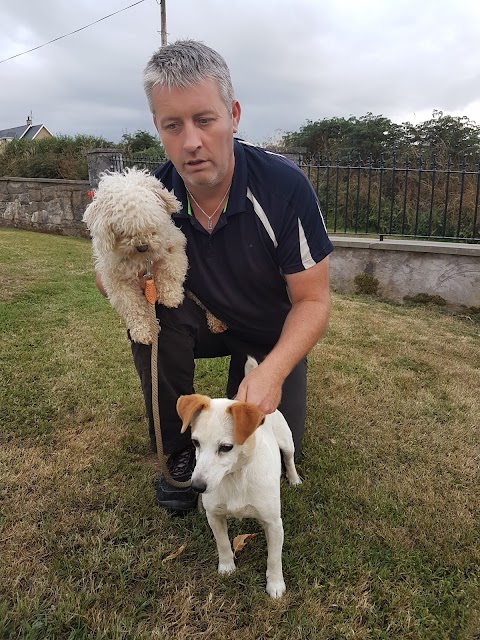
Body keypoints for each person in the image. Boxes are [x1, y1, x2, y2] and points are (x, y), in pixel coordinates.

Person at [96, 40, 333, 514]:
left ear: (234, 115)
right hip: (199, 321)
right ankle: (179, 451)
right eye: (172, 125)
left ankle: (251, 372)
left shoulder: (285, 188)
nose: (191, 142)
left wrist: (273, 370)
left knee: (275, 445)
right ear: (158, 129)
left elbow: (312, 301)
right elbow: (109, 273)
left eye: (204, 119)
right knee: (151, 321)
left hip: (267, 329)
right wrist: (119, 273)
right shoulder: (150, 199)